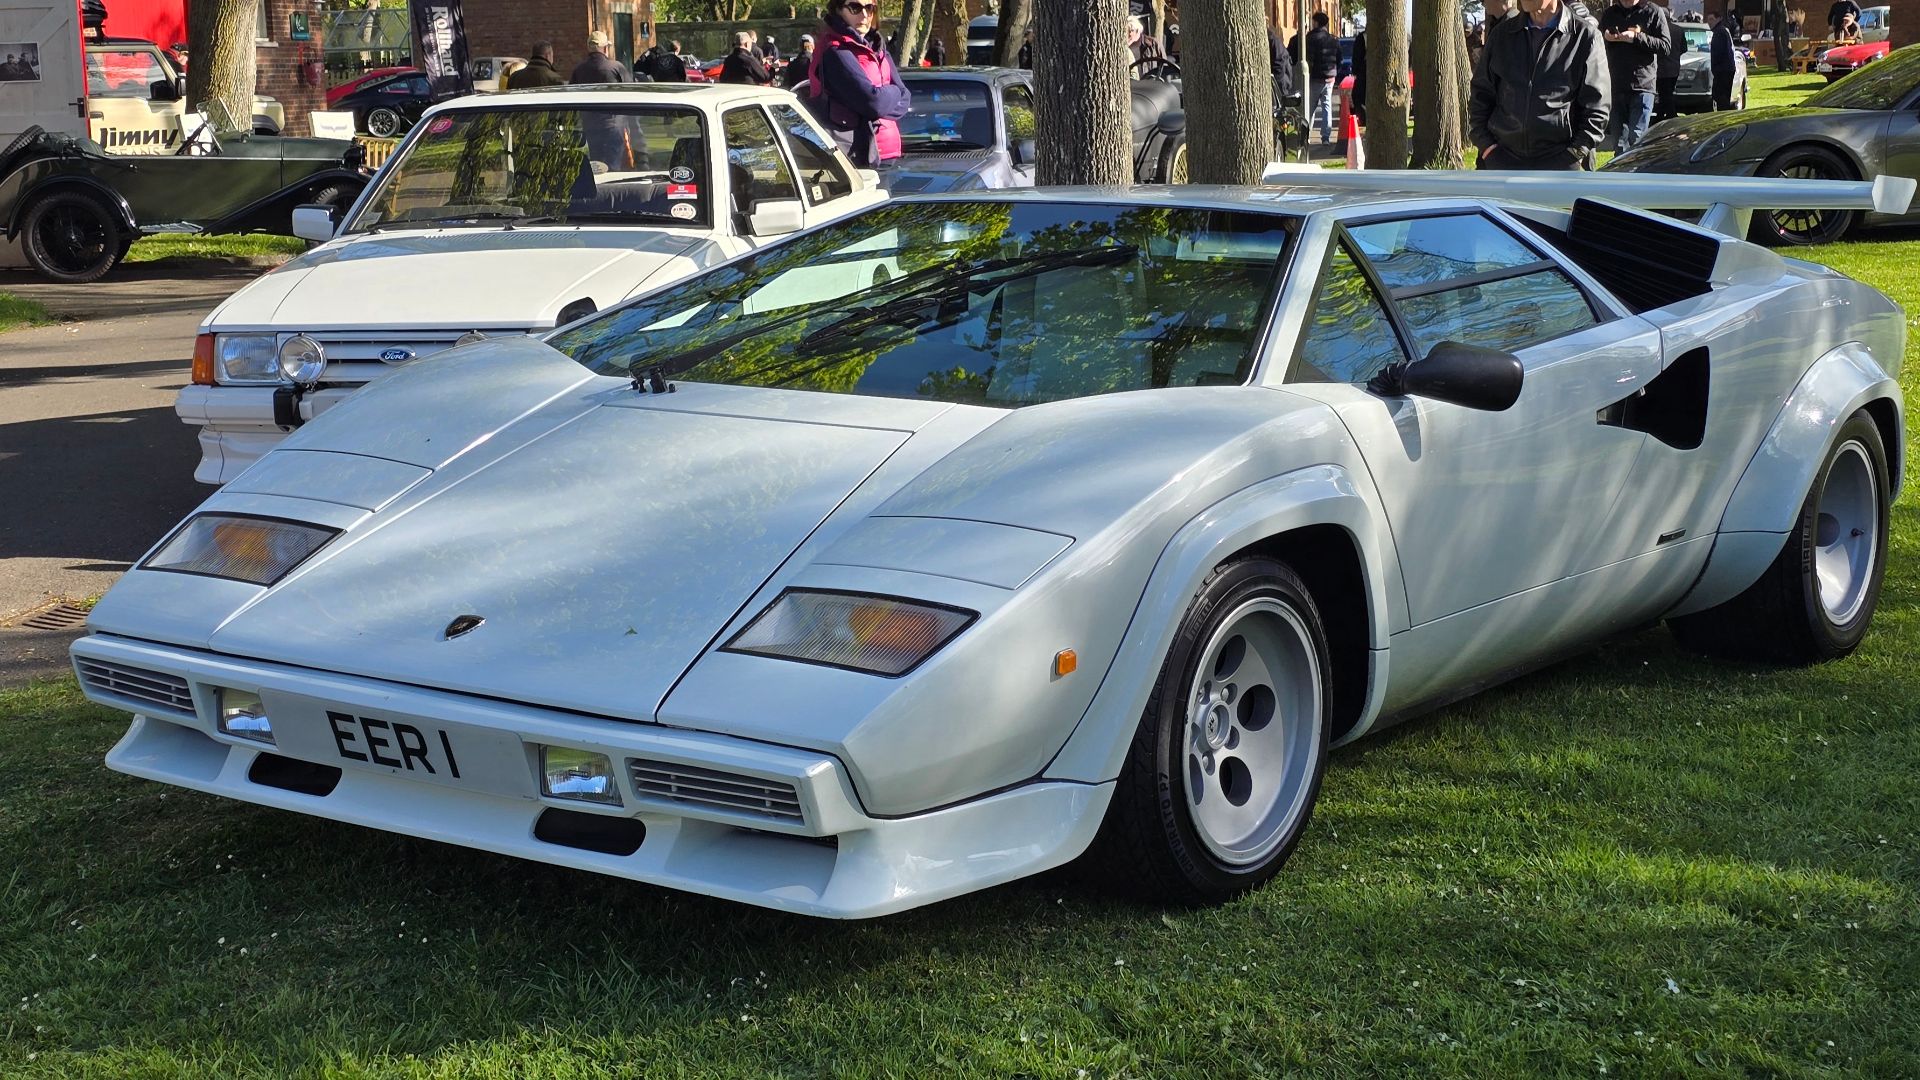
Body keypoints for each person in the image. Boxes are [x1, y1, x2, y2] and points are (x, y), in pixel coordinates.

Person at [1470, 0, 1610, 169]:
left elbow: (1597, 108)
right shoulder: (1502, 35)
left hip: (1561, 164)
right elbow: (1481, 95)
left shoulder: (1584, 37)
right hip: (1503, 160)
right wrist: (1488, 148)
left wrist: (1574, 155)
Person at [804, 0, 911, 167]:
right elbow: (873, 102)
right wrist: (893, 93)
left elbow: (905, 98)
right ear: (839, 9)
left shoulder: (877, 46)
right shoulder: (835, 50)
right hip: (858, 155)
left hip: (888, 153)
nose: (864, 15)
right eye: (855, 7)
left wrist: (883, 100)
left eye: (869, 8)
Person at [1599, 0, 1670, 154]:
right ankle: (1620, 176)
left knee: (1636, 139)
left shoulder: (1652, 11)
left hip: (1642, 86)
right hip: (1616, 85)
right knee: (1619, 143)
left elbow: (1665, 46)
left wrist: (1636, 37)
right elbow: (1596, 45)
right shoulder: (1611, 13)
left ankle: (1638, 174)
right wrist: (1606, 38)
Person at [1289, 12, 1342, 146]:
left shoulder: (1310, 38)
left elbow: (1309, 58)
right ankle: (1325, 137)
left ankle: (1307, 135)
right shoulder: (1333, 39)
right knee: (1326, 107)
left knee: (1310, 107)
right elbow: (1339, 59)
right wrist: (1334, 73)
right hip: (1329, 78)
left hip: (1315, 78)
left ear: (1316, 22)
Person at [1711, 7, 1739, 109]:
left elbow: (1719, 52)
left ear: (1718, 19)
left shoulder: (1719, 32)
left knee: (1721, 96)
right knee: (1723, 96)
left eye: (1711, 19)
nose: (1709, 22)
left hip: (1723, 70)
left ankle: (1722, 114)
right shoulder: (1722, 30)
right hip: (1726, 68)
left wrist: (1715, 67)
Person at [1351, 27, 1367, 123]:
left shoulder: (1362, 37)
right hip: (1364, 72)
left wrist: (1355, 71)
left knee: (1358, 97)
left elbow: (1356, 57)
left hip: (1363, 72)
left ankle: (1363, 119)